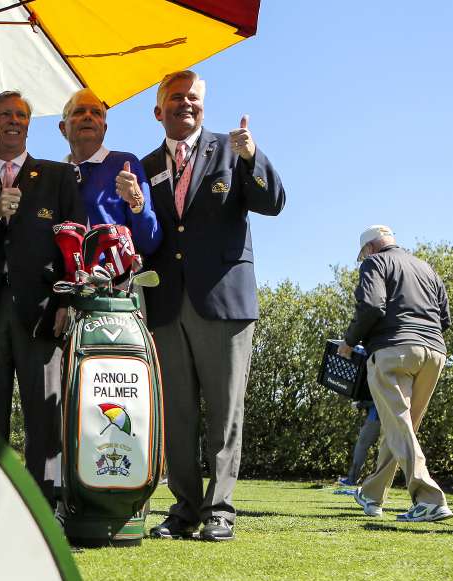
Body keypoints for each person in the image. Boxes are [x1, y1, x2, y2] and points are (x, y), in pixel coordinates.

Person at [130, 70, 286, 541]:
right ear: (158, 111)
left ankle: (220, 508)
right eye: (175, 98)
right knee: (176, 413)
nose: (185, 104)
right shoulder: (144, 164)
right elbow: (149, 232)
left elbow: (274, 202)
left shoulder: (232, 149)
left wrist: (253, 156)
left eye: (193, 98)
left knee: (225, 410)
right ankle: (184, 509)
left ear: (204, 105)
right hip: (166, 303)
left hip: (224, 302)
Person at [0, 90, 86, 501]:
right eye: (4, 114)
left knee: (43, 415)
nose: (13, 121)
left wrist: (68, 301)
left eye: (21, 114)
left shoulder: (57, 175)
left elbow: (77, 243)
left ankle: (44, 505)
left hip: (41, 312)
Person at [341, 225, 453, 522]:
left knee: (398, 425)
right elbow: (445, 317)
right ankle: (372, 494)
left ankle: (430, 499)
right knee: (401, 427)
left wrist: (349, 341)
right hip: (433, 353)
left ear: (370, 248)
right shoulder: (425, 267)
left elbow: (371, 306)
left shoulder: (375, 263)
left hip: (393, 350)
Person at [58, 88, 160, 257]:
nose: (88, 116)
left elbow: (150, 242)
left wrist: (137, 204)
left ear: (104, 128)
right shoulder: (54, 175)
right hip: (66, 281)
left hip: (116, 280)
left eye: (96, 113)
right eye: (79, 111)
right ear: (62, 127)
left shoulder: (124, 164)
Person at [336, 399, 380, 492]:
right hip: (383, 418)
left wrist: (359, 404)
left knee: (361, 447)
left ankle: (352, 479)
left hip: (375, 418)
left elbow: (376, 398)